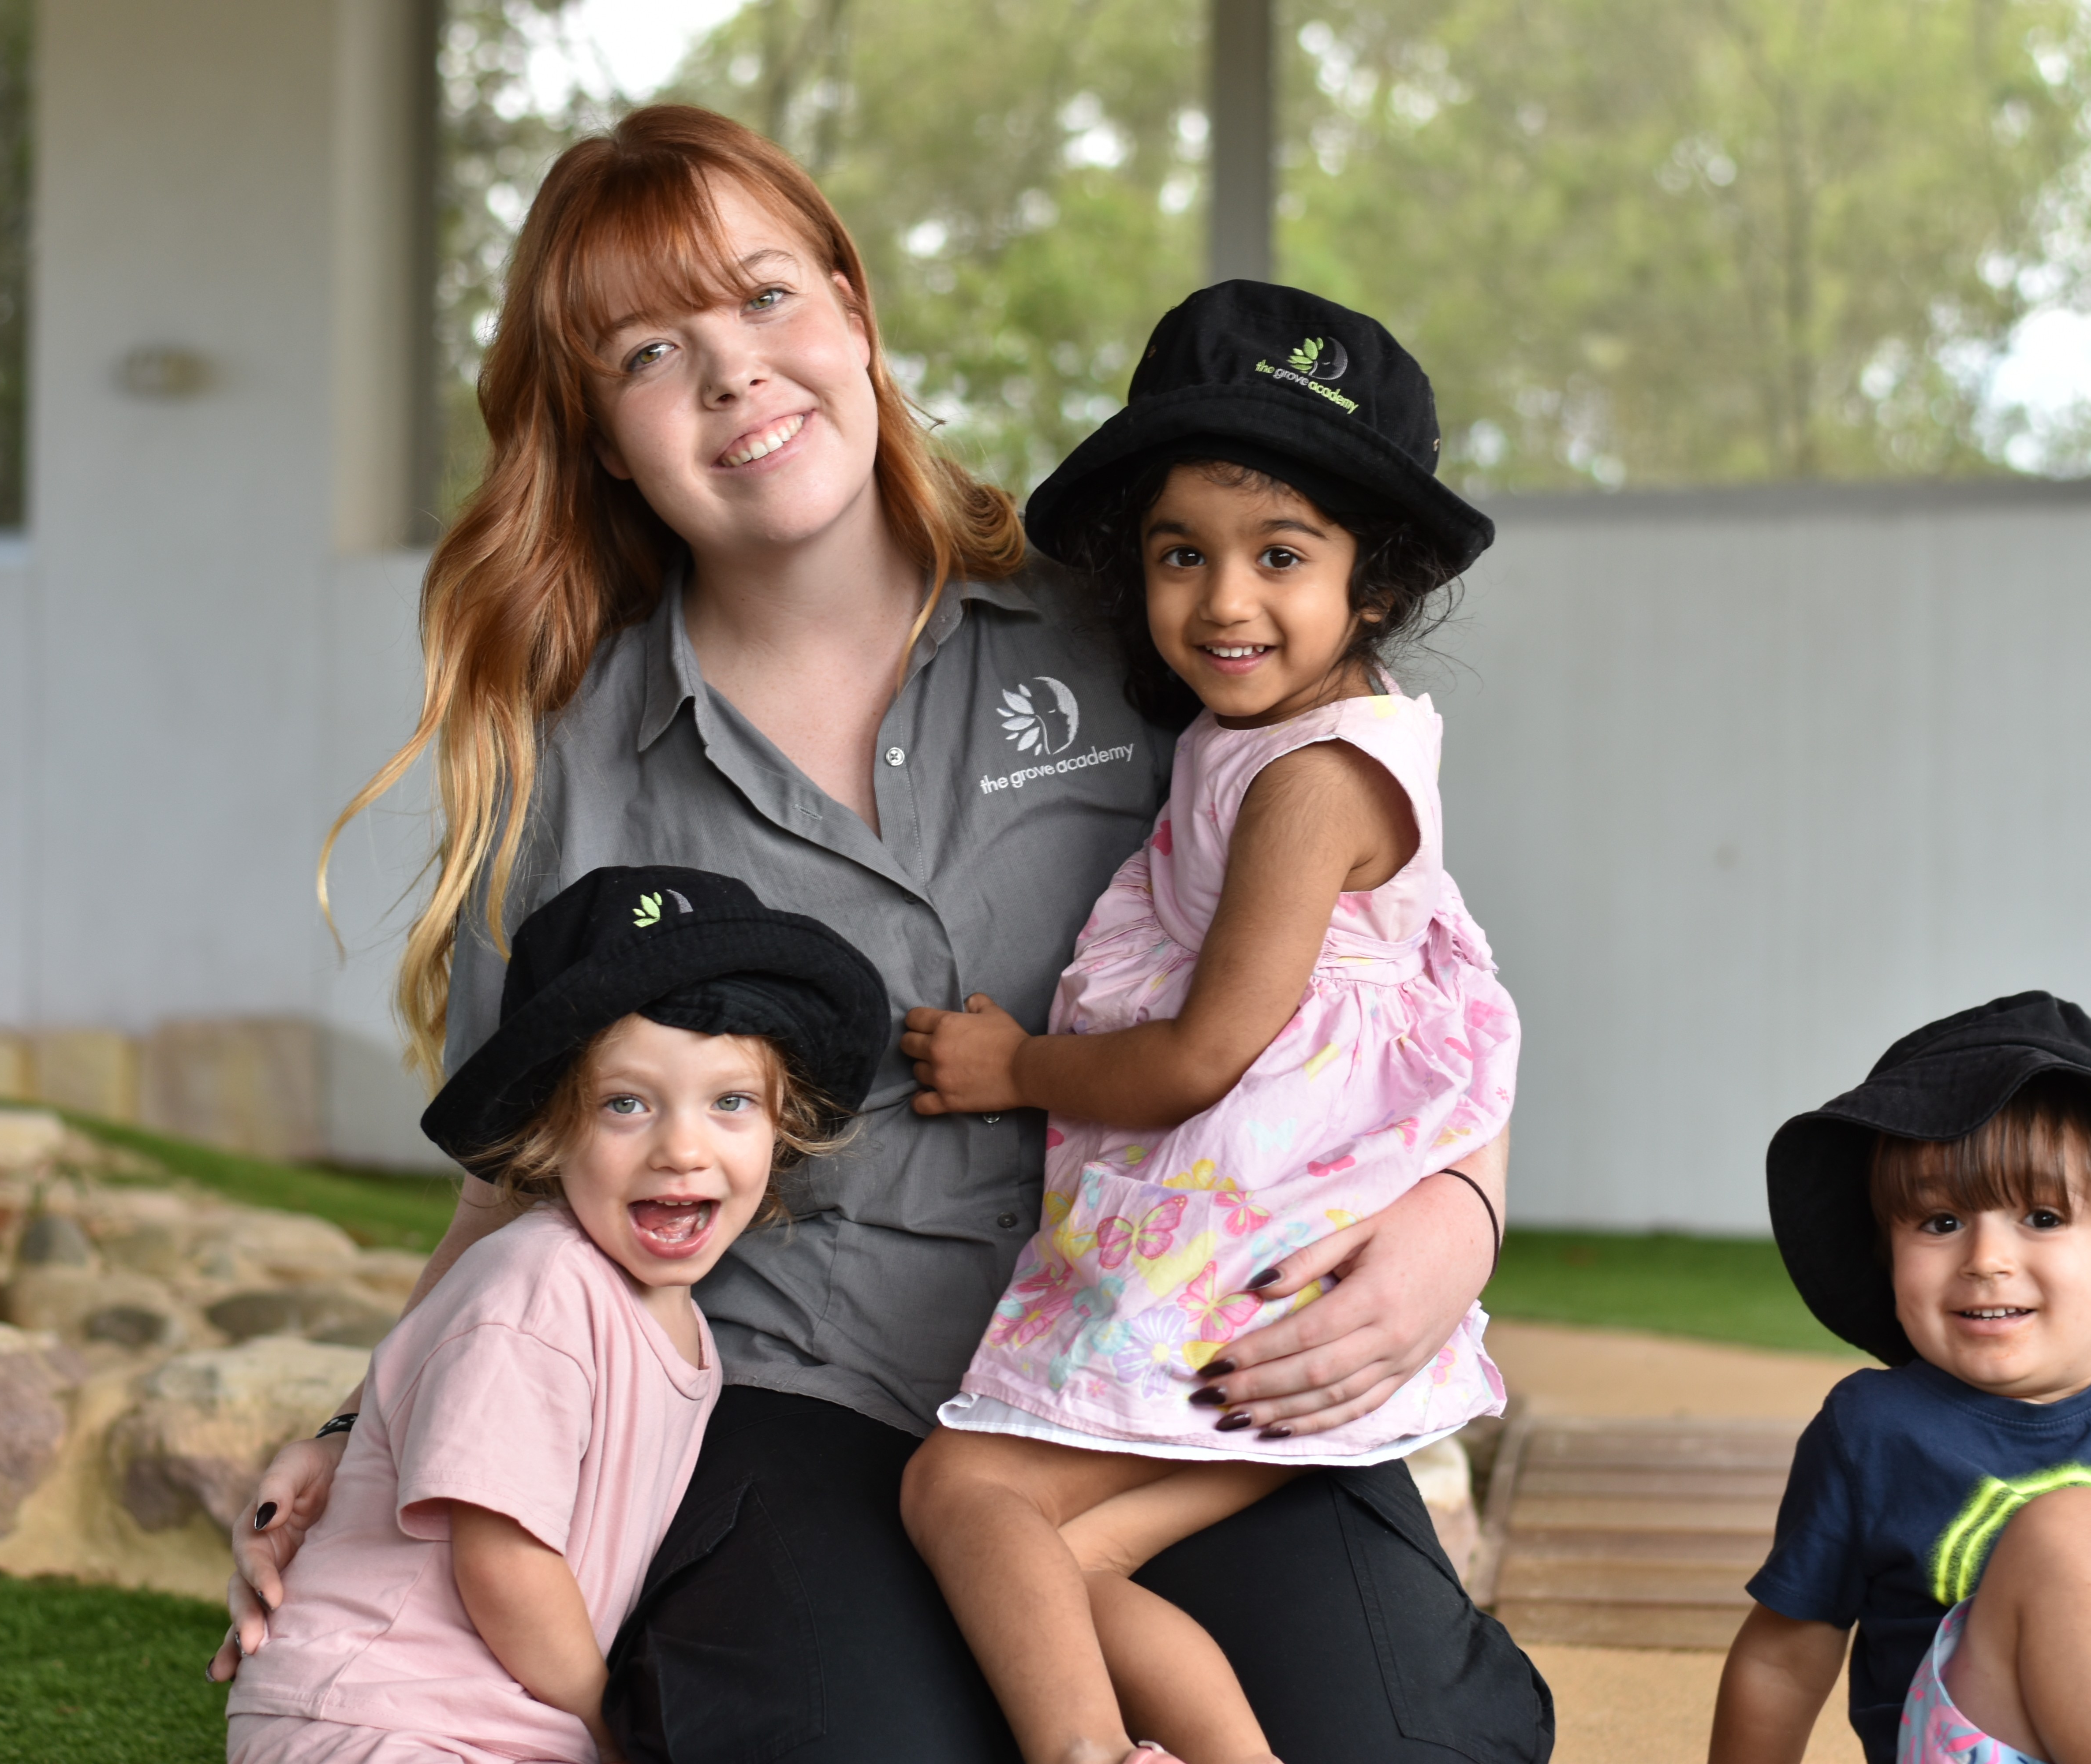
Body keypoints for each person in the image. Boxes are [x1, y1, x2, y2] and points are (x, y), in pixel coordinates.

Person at [215, 104, 1551, 1762]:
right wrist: (363, 1429)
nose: (735, 374)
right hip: (798, 1394)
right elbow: (521, 1171)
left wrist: (1459, 1220)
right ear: (602, 434)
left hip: (1150, 1359)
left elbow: (1404, 965)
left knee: (1405, 1743)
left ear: (852, 310)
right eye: (651, 352)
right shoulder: (573, 769)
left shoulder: (1137, 623)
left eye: (767, 296)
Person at [894, 283, 1519, 1764]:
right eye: (1184, 554)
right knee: (1069, 1565)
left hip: (1242, 1256)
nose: (1226, 601)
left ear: (1375, 582)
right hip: (1259, 1263)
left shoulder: (1314, 779)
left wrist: (1015, 1067)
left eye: (1281, 555)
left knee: (961, 1494)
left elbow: (1200, 1056)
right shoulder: (1264, 737)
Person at [225, 864, 886, 1764]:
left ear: (783, 1121)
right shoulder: (542, 1286)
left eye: (730, 1101)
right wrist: (608, 1729)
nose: (682, 1148)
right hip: (383, 1713)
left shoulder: (670, 1317)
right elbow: (503, 1561)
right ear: (549, 1128)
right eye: (626, 1104)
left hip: (477, 1718)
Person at [1709, 992, 2091, 1764]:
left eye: (2043, 1218)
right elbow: (1783, 1658)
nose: (1986, 1260)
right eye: (1940, 1223)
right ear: (1889, 1261)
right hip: (1995, 1738)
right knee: (2080, 1536)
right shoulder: (1875, 1431)